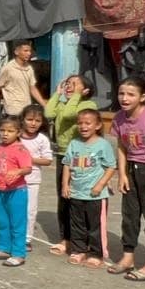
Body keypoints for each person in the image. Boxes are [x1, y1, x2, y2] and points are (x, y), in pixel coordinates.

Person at [112, 78, 145, 280]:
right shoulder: (118, 118)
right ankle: (128, 257)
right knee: (129, 217)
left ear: (142, 97)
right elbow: (121, 147)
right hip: (131, 170)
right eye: (121, 93)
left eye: (130, 94)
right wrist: (122, 174)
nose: (124, 98)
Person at [45, 75, 98, 254]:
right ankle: (65, 238)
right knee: (64, 198)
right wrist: (57, 94)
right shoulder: (64, 102)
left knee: (82, 201)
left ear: (85, 90)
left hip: (82, 157)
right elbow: (48, 113)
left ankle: (85, 240)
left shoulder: (87, 106)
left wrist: (75, 96)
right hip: (62, 155)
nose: (69, 87)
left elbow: (69, 115)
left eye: (75, 84)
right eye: (67, 83)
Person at [62, 108, 117, 266]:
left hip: (96, 196)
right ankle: (79, 250)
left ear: (98, 125)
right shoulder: (74, 144)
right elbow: (67, 164)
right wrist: (65, 184)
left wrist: (100, 185)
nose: (83, 126)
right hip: (76, 193)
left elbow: (111, 167)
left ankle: (95, 253)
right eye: (80, 123)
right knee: (77, 224)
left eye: (88, 123)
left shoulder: (103, 145)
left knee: (95, 226)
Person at [0, 115, 33, 267]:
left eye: (10, 131)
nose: (5, 134)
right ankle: (3, 249)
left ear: (18, 132)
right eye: (2, 130)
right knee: (3, 222)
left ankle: (19, 254)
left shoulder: (20, 149)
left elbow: (28, 168)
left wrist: (18, 172)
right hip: (0, 190)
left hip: (17, 192)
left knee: (17, 223)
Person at [18, 104, 53, 255]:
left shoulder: (42, 139)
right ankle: (13, 236)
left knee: (30, 211)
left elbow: (48, 160)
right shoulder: (16, 136)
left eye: (37, 120)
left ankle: (26, 239)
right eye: (30, 119)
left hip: (32, 180)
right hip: (14, 180)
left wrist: (30, 159)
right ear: (23, 120)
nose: (33, 123)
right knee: (14, 210)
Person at [0, 41, 46, 117]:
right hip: (12, 110)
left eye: (30, 51)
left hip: (26, 110)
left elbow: (32, 88)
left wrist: (44, 105)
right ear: (16, 52)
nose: (29, 53)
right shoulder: (8, 68)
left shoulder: (29, 68)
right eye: (25, 51)